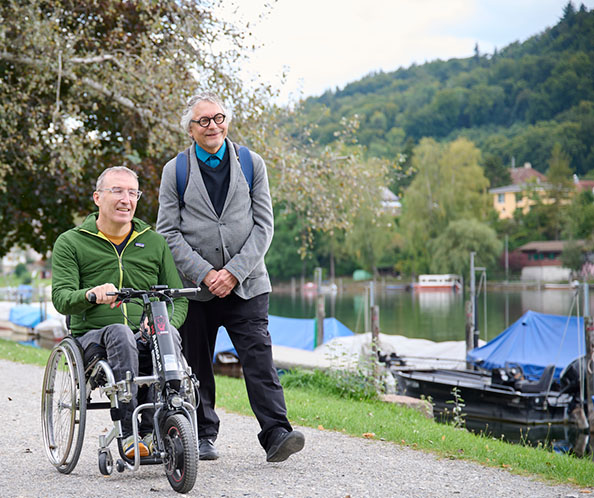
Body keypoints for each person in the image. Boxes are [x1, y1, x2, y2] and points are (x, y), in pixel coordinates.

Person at [157, 91, 305, 462]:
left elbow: (264, 227)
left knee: (259, 358)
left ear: (227, 121)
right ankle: (202, 435)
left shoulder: (252, 163)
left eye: (218, 118)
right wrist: (206, 273)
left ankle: (276, 434)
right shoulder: (175, 170)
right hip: (195, 288)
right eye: (204, 121)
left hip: (248, 284)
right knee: (196, 364)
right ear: (190, 129)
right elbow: (168, 232)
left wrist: (233, 273)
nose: (213, 126)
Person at [51, 166, 188, 458]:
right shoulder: (71, 242)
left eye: (132, 192)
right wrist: (91, 294)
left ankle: (159, 426)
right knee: (120, 331)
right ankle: (128, 432)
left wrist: (162, 323)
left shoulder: (154, 242)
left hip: (144, 337)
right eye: (117, 191)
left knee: (167, 333)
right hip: (94, 340)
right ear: (97, 197)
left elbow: (178, 300)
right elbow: (62, 299)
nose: (126, 199)